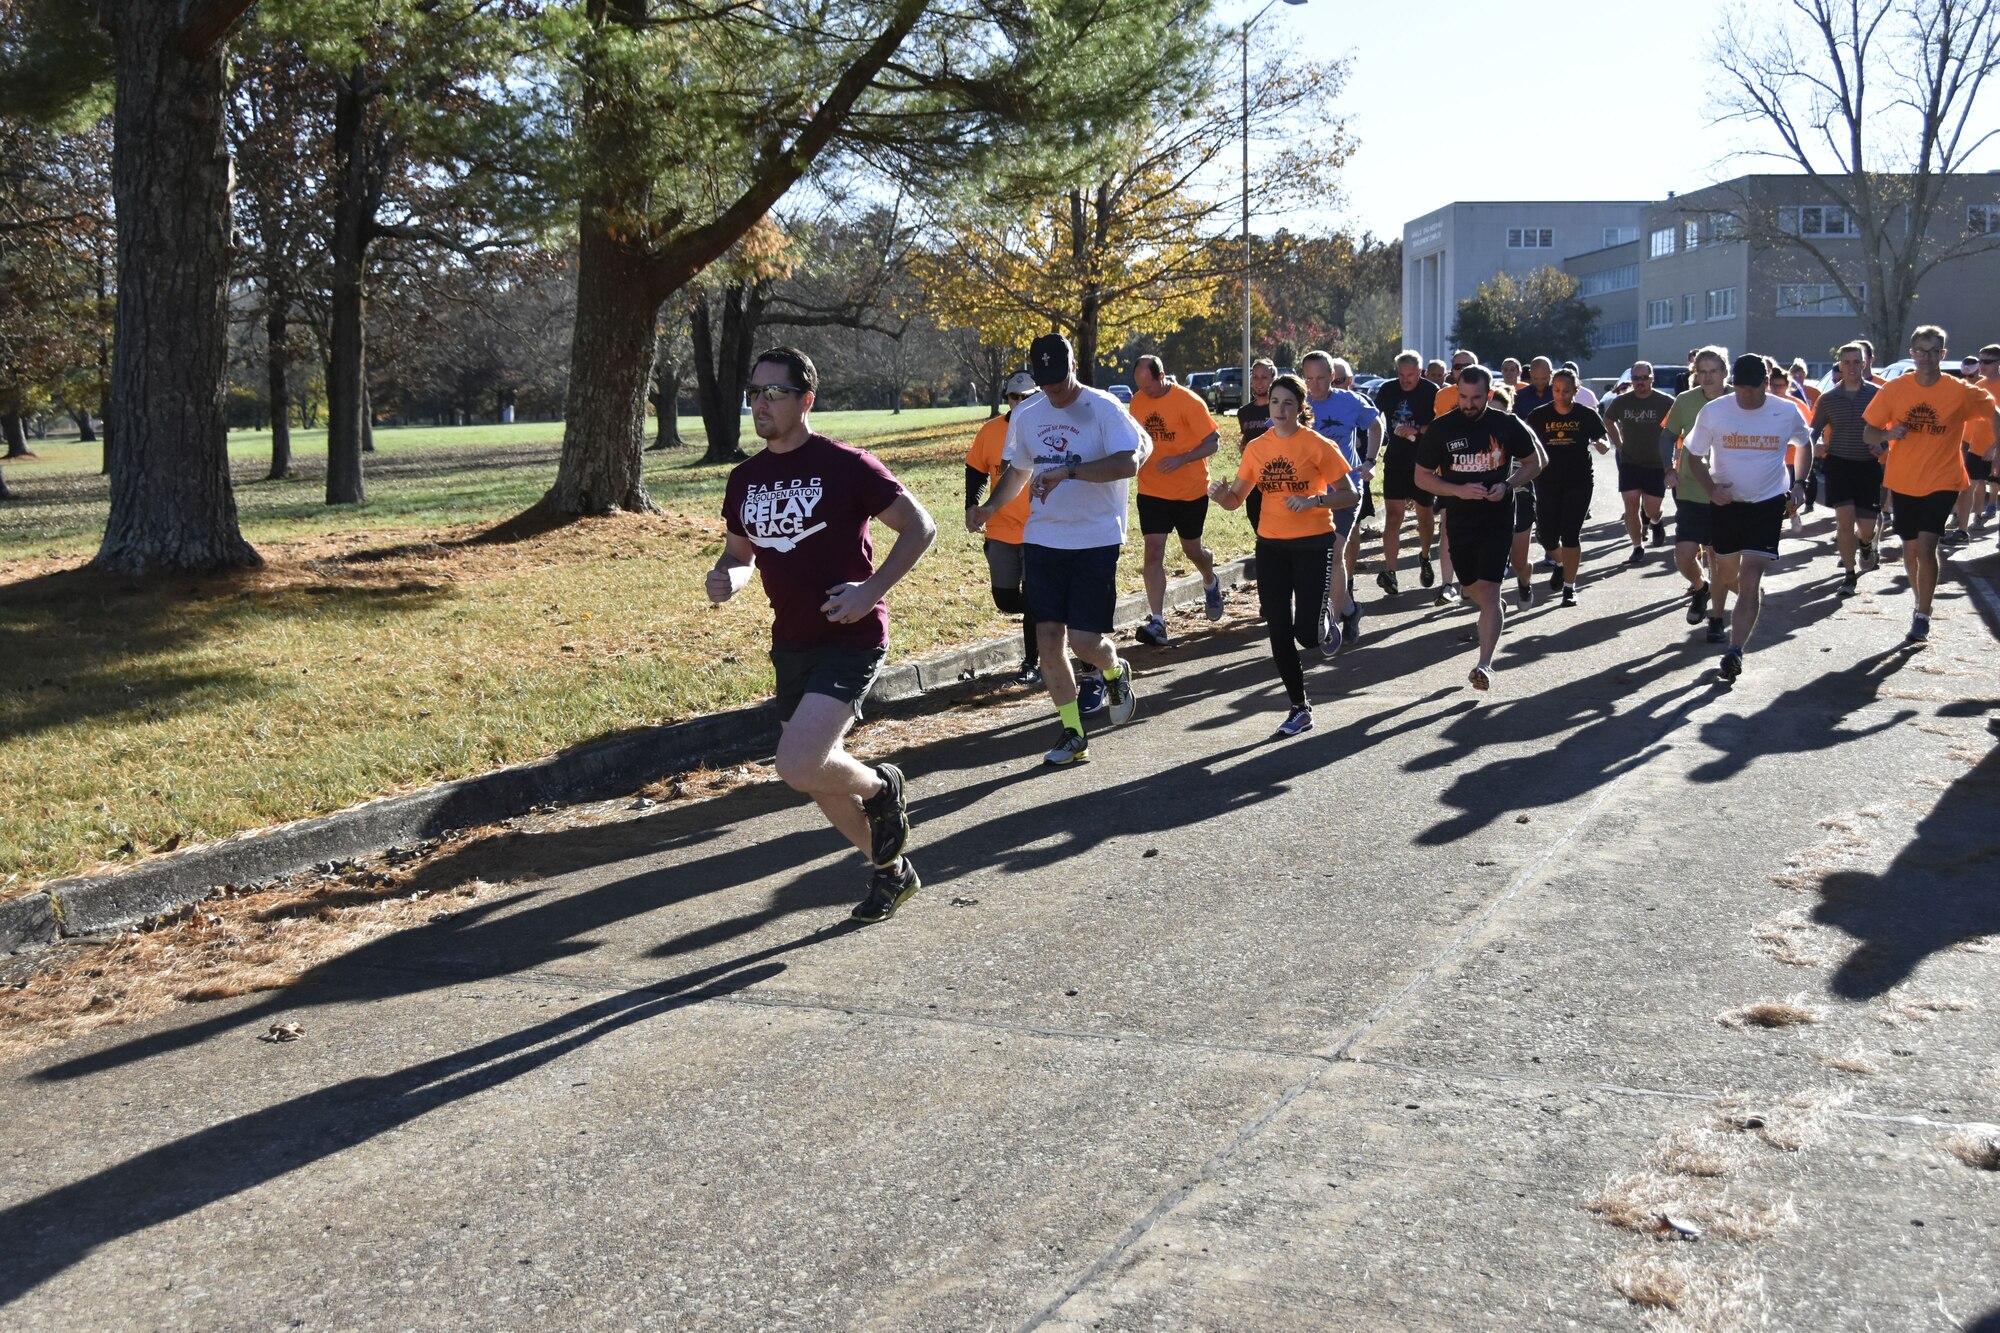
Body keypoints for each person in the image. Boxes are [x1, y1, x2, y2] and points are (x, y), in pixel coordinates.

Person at [710, 346, 937, 922]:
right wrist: (728, 578)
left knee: (797, 763)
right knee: (815, 774)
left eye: (773, 393)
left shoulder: (846, 465)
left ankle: (883, 788)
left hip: (850, 634)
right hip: (792, 640)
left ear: (806, 400)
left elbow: (920, 526)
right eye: (754, 393)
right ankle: (892, 872)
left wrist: (871, 591)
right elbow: (742, 553)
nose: (759, 403)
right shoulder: (745, 478)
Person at [970, 333, 1149, 765]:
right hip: (1044, 538)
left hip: (1096, 536)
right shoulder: (1027, 414)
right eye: (1045, 382)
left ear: (1073, 367)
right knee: (1049, 640)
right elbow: (1018, 471)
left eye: (1060, 379)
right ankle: (1072, 732)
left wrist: (1069, 472)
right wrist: (988, 508)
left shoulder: (1102, 407)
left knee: (1085, 641)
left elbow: (1129, 462)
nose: (1054, 390)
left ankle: (1114, 670)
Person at [1209, 374, 1359, 736]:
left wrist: (1314, 500)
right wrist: (1219, 494)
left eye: (1288, 403)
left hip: (1313, 543)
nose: (1279, 409)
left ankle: (1324, 615)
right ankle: (1299, 707)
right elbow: (1235, 501)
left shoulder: (1317, 445)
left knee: (1306, 636)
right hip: (1271, 545)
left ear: (1300, 408)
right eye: (1275, 402)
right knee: (1277, 627)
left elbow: (1350, 494)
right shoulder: (1257, 448)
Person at [1862, 325, 2000, 644]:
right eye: (1920, 351)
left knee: (1926, 545)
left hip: (1944, 478)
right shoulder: (1896, 389)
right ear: (1912, 354)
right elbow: (1869, 432)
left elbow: (1993, 411)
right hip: (1904, 479)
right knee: (1910, 550)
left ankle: (1923, 613)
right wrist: (1886, 435)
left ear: (1943, 354)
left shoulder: (1960, 390)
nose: (1926, 357)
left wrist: (1996, 448)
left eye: (1933, 351)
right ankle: (1919, 600)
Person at [1679, 354, 1812, 680]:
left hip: (1767, 504)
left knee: (1751, 577)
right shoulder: (1715, 411)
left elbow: (1804, 444)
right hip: (1726, 505)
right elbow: (1693, 455)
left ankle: (1734, 652)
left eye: (1752, 390)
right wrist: (1711, 489)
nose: (1746, 397)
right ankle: (1737, 603)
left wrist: (1799, 483)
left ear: (1765, 384)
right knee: (1725, 573)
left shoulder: (1785, 411)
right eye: (1740, 389)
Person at [1415, 365, 1546, 690]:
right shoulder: (1443, 428)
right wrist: (1457, 490)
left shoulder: (1506, 424)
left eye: (1475, 398)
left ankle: (1484, 664)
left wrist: (1508, 485)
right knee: (1472, 588)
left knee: (1489, 590)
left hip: (1497, 516)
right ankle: (1491, 606)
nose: (1469, 404)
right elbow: (1421, 476)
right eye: (1463, 397)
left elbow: (1537, 462)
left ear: (1488, 395)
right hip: (1459, 519)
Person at [1129, 355, 1225, 646]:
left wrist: (1181, 459)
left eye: (1150, 387)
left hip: (1189, 491)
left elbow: (1214, 442)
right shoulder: (1137, 402)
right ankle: (1157, 621)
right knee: (1153, 551)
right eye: (1140, 387)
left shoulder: (1189, 401)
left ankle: (1210, 579)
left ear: (1162, 376)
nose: (1145, 393)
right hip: (1152, 490)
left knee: (1192, 550)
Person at [965, 372, 1041, 683]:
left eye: (1027, 396)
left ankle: (1032, 663)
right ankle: (1050, 615)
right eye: (1014, 397)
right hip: (1001, 529)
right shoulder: (991, 431)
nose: (1020, 402)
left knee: (1034, 597)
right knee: (1005, 599)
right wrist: (972, 505)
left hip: (1040, 530)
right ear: (1006, 398)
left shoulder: (1045, 428)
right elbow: (976, 469)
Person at [1301, 351, 1379, 640]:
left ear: (1333, 376)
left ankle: (1331, 619)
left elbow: (1376, 424)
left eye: (1321, 378)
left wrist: (1370, 460)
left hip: (1345, 490)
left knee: (1333, 553)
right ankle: (1349, 608)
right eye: (1309, 378)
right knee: (1314, 558)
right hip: (1309, 494)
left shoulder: (1349, 401)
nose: (1315, 385)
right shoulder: (1298, 402)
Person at [1661, 347, 1733, 642]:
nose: (1706, 377)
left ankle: (1716, 619)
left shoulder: (1737, 400)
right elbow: (1666, 436)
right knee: (1684, 556)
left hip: (1729, 491)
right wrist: (1668, 468)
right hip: (1690, 488)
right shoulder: (1685, 401)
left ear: (1725, 373)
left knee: (1718, 557)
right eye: (1701, 371)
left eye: (1713, 371)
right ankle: (1700, 588)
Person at [1523, 368, 1611, 606]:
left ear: (1576, 391)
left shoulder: (1586, 414)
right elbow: (1525, 444)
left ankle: (1570, 588)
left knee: (1571, 534)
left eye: (1566, 391)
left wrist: (1602, 444)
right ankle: (1561, 564)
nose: (1561, 395)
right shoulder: (1538, 416)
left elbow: (1602, 437)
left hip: (1578, 481)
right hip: (1547, 481)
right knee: (1547, 536)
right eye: (1557, 390)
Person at [1810, 342, 1883, 595]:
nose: (1851, 367)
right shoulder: (1828, 399)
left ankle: (1865, 544)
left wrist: (1882, 444)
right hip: (1839, 464)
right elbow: (1815, 429)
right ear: (1840, 365)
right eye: (1846, 362)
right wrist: (1815, 444)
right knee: (1844, 520)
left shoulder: (1876, 394)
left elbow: (1891, 427)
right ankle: (1849, 575)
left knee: (1866, 528)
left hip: (1868, 466)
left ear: (1865, 363)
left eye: (1856, 361)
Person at [1374, 350, 1441, 594]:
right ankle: (1390, 571)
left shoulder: (1431, 391)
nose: (1406, 380)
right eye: (1402, 375)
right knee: (1394, 516)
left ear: (1420, 372)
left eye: (1411, 375)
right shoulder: (1388, 390)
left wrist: (1416, 428)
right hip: (1395, 459)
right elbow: (1375, 418)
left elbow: (1442, 424)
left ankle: (1424, 556)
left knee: (1424, 515)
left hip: (1423, 460)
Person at [1602, 360, 1675, 561]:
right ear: (1631, 380)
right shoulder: (1622, 401)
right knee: (1631, 505)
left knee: (1651, 508)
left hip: (1656, 463)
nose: (1640, 382)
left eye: (1644, 378)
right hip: (1629, 461)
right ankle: (1637, 546)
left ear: (1652, 379)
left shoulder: (1666, 401)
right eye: (1636, 378)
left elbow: (1678, 427)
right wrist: (1618, 442)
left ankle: (1656, 521)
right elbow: (1608, 420)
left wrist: (1673, 453)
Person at [1236, 358, 1277, 534]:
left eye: (1264, 377)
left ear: (1273, 379)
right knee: (1257, 522)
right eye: (1255, 377)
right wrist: (1244, 447)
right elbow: (1247, 438)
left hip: (1278, 475)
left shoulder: (1280, 409)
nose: (1259, 382)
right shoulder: (1244, 412)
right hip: (1253, 476)